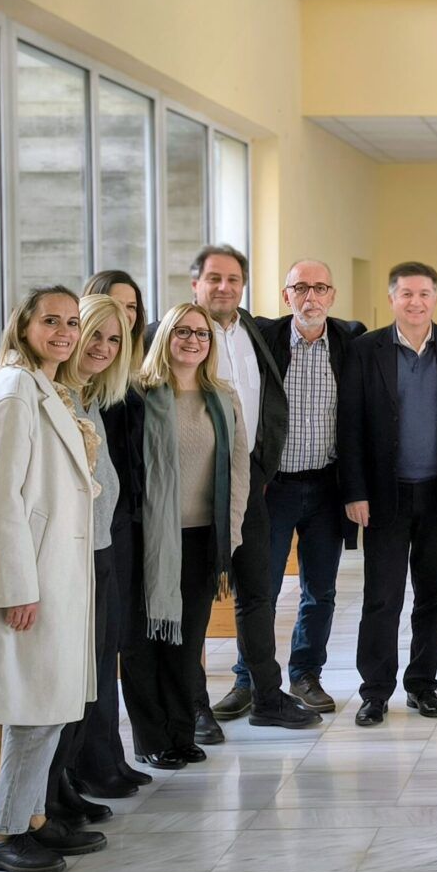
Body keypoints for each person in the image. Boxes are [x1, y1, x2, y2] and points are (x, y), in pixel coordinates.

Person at [0, 286, 105, 872]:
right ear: (24, 326)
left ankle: (33, 817)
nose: (64, 332)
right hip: (34, 575)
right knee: (34, 707)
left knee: (50, 702)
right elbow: (0, 498)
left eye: (72, 322)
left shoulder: (45, 387)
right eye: (50, 321)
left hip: (56, 568)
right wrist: (16, 587)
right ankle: (5, 832)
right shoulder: (15, 390)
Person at [339, 262, 437, 725]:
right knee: (381, 598)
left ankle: (422, 686)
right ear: (392, 299)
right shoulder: (365, 350)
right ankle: (375, 692)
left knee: (431, 597)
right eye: (406, 293)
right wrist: (355, 491)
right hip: (385, 496)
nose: (416, 302)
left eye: (424, 293)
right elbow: (350, 425)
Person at [182, 245, 319, 737]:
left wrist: (263, 470)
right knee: (195, 604)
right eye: (214, 279)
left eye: (233, 279)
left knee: (258, 597)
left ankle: (267, 697)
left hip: (251, 486)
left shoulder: (255, 332)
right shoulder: (178, 334)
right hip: (195, 494)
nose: (224, 288)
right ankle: (193, 706)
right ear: (195, 284)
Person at [236, 260, 366, 715]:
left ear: (333, 295)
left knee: (320, 591)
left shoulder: (350, 341)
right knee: (261, 589)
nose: (311, 297)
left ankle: (306, 674)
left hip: (327, 488)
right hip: (274, 489)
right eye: (301, 288)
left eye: (320, 288)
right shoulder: (264, 338)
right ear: (285, 294)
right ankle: (249, 679)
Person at [125, 303, 250, 770]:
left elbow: (239, 469)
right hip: (149, 541)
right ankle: (151, 740)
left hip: (203, 540)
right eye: (182, 331)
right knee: (145, 645)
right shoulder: (138, 395)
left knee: (186, 643)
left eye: (201, 334)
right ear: (164, 336)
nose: (192, 340)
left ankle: (180, 734)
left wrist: (230, 534)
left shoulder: (223, 397)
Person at [43, 294, 133, 824]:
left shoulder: (88, 397)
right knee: (69, 682)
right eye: (94, 333)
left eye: (114, 339)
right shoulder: (50, 398)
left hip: (99, 551)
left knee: (92, 677)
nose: (102, 347)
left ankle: (66, 784)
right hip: (69, 560)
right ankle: (48, 797)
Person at [81, 271, 153, 795]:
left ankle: (109, 754)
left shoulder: (124, 375)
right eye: (113, 308)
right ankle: (91, 763)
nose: (124, 319)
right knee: (96, 651)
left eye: (131, 309)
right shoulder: (84, 384)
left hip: (121, 522)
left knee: (113, 645)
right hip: (91, 531)